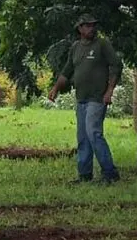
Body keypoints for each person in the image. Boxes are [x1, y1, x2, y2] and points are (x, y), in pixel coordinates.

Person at [49, 14, 122, 184]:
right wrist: (55, 88)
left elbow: (116, 65)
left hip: (97, 98)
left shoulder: (102, 44)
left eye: (93, 25)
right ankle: (84, 175)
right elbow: (67, 71)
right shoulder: (75, 47)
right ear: (80, 28)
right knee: (83, 137)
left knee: (93, 132)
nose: (92, 28)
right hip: (81, 98)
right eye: (88, 26)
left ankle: (110, 173)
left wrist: (109, 91)